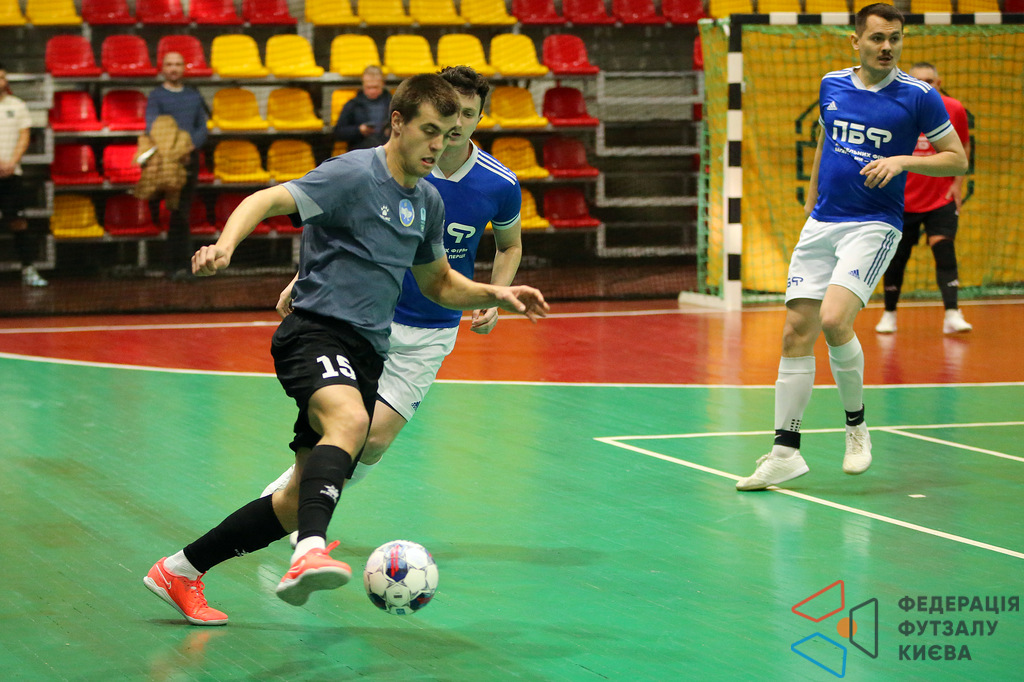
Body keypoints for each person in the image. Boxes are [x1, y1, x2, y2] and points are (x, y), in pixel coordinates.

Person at [143, 73, 548, 625]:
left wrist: (495, 293)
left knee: (294, 499)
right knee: (352, 422)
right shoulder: (353, 173)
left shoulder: (427, 201)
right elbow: (267, 198)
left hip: (366, 348)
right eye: (429, 130)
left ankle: (180, 570)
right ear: (398, 123)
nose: (439, 144)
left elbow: (438, 284)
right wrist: (225, 244)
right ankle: (311, 550)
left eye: (447, 133)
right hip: (316, 331)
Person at [261, 65, 523, 501]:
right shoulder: (396, 164)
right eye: (451, 111)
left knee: (374, 440)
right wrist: (303, 276)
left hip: (432, 327)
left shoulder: (500, 183)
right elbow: (343, 228)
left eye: (468, 114)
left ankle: (296, 500)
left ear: (480, 118)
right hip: (366, 314)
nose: (457, 123)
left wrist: (495, 297)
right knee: (343, 425)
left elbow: (510, 246)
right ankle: (288, 505)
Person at [736, 4, 967, 492]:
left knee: (834, 319)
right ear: (856, 41)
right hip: (823, 222)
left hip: (874, 225)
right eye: (878, 38)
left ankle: (857, 427)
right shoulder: (832, 84)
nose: (887, 47)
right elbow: (825, 142)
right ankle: (784, 453)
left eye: (895, 38)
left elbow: (957, 160)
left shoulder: (919, 96)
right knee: (794, 333)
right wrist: (811, 200)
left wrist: (902, 161)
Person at [875, 62, 972, 335]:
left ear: (939, 83)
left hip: (940, 197)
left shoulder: (954, 108)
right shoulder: (895, 109)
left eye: (930, 81)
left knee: (944, 250)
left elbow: (963, 145)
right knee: (896, 257)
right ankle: (889, 313)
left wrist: (957, 184)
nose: (925, 86)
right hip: (902, 199)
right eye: (919, 81)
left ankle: (952, 313)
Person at [145, 51, 208, 280]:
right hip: (165, 163)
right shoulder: (156, 96)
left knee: (181, 213)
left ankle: (179, 267)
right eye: (169, 64)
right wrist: (173, 150)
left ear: (183, 68)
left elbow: (202, 128)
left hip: (189, 162)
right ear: (163, 68)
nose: (173, 68)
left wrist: (188, 147)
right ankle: (177, 266)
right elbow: (153, 126)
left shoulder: (193, 96)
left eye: (178, 64)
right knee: (175, 214)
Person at [0, 63, 47, 287]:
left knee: (18, 222)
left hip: (11, 174)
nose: (0, 82)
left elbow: (24, 136)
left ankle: (28, 269)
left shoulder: (17, 105)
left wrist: (11, 163)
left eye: (2, 78)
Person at [333, 65, 391, 151]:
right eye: (368, 87)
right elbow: (338, 132)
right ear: (363, 85)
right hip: (361, 151)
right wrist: (358, 130)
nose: (372, 91)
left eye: (376, 87)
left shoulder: (394, 103)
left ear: (383, 84)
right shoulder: (352, 105)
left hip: (388, 151)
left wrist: (392, 131)